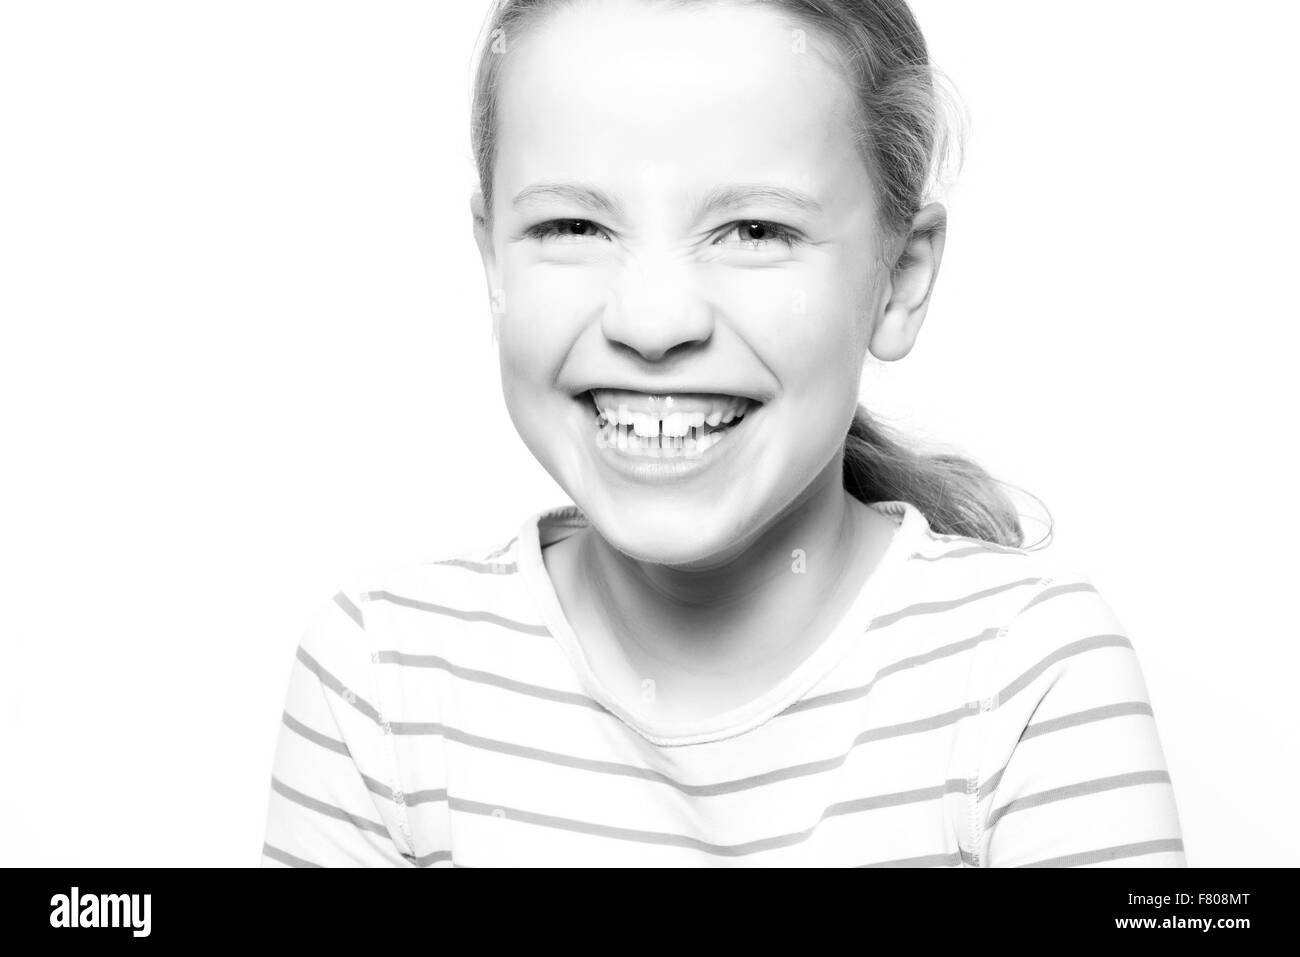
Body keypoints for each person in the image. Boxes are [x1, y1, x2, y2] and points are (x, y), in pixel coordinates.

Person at [261, 0, 1185, 867]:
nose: (655, 320)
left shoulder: (1025, 676)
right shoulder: (381, 680)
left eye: (754, 229)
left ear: (898, 281)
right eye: (573, 223)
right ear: (491, 261)